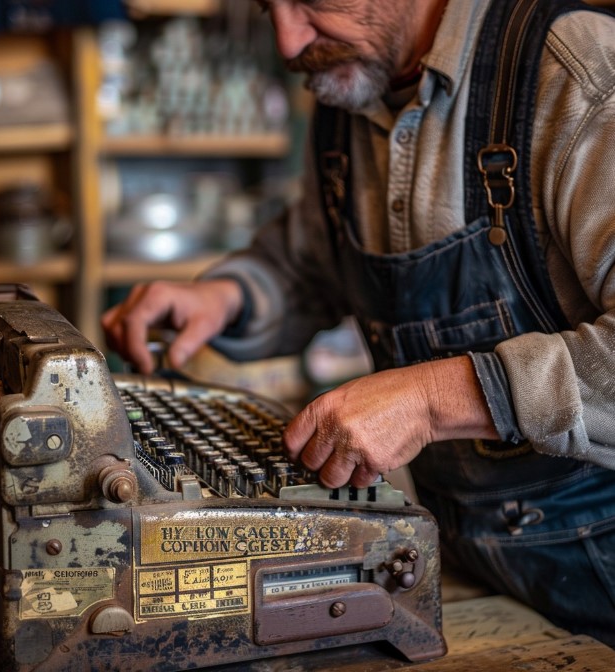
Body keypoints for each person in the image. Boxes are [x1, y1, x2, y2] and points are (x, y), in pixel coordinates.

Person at [102, 0, 615, 644]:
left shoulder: (579, 73)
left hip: (599, 568)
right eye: (269, 7)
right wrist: (228, 298)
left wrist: (432, 399)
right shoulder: (352, 87)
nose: (289, 43)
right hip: (462, 559)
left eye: (314, 2)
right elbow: (313, 265)